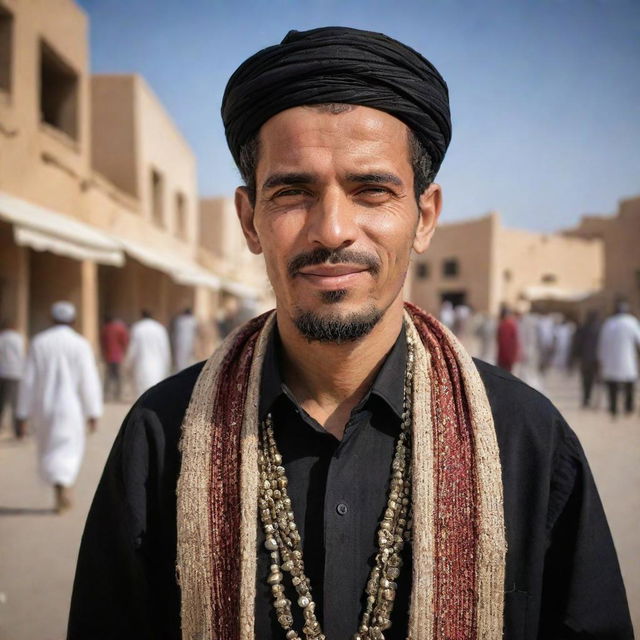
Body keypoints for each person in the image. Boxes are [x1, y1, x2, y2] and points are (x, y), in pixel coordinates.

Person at [68, 27, 632, 639]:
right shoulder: (163, 437)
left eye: (371, 191)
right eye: (293, 192)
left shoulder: (525, 439)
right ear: (248, 219)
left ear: (425, 217)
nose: (332, 229)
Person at [16, 302, 102, 513]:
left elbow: (28, 380)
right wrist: (93, 412)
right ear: (74, 321)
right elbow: (88, 380)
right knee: (69, 449)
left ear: (52, 319)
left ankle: (58, 486)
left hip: (44, 407)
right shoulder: (80, 344)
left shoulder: (39, 342)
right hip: (72, 408)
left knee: (49, 449)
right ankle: (65, 484)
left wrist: (22, 413)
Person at [597, 300, 640, 418]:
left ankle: (613, 409)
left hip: (611, 360)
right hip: (628, 358)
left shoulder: (609, 323)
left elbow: (602, 344)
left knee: (612, 385)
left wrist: (601, 359)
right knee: (629, 385)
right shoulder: (631, 322)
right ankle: (628, 408)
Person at [124, 310, 171, 396]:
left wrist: (128, 363)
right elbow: (165, 349)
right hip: (158, 365)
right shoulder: (159, 328)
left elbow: (132, 349)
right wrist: (167, 365)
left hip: (141, 365)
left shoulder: (137, 328)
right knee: (155, 391)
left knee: (141, 393)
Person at [0, 319, 25, 438]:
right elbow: (22, 354)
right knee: (16, 402)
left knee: (2, 401)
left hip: (3, 372)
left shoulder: (2, 337)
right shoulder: (18, 338)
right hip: (16, 373)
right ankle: (18, 430)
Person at [571, 310, 602, 408]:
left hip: (586, 359)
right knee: (594, 380)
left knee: (587, 381)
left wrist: (575, 356)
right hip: (595, 359)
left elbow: (576, 344)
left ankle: (587, 399)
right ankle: (591, 401)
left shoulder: (583, 328)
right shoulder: (599, 328)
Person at [100, 315, 129, 401]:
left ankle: (107, 395)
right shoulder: (120, 329)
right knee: (118, 376)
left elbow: (102, 343)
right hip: (118, 356)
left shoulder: (105, 329)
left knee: (109, 377)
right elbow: (124, 342)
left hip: (108, 356)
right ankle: (119, 395)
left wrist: (103, 354)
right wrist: (125, 353)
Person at [171, 308, 198, 373]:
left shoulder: (180, 320)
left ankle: (181, 370)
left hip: (181, 340)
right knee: (186, 356)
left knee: (181, 356)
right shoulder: (192, 320)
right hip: (187, 340)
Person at [496, 305, 519, 373]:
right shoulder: (507, 324)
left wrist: (508, 358)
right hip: (506, 356)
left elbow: (505, 343)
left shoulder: (507, 325)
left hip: (506, 357)